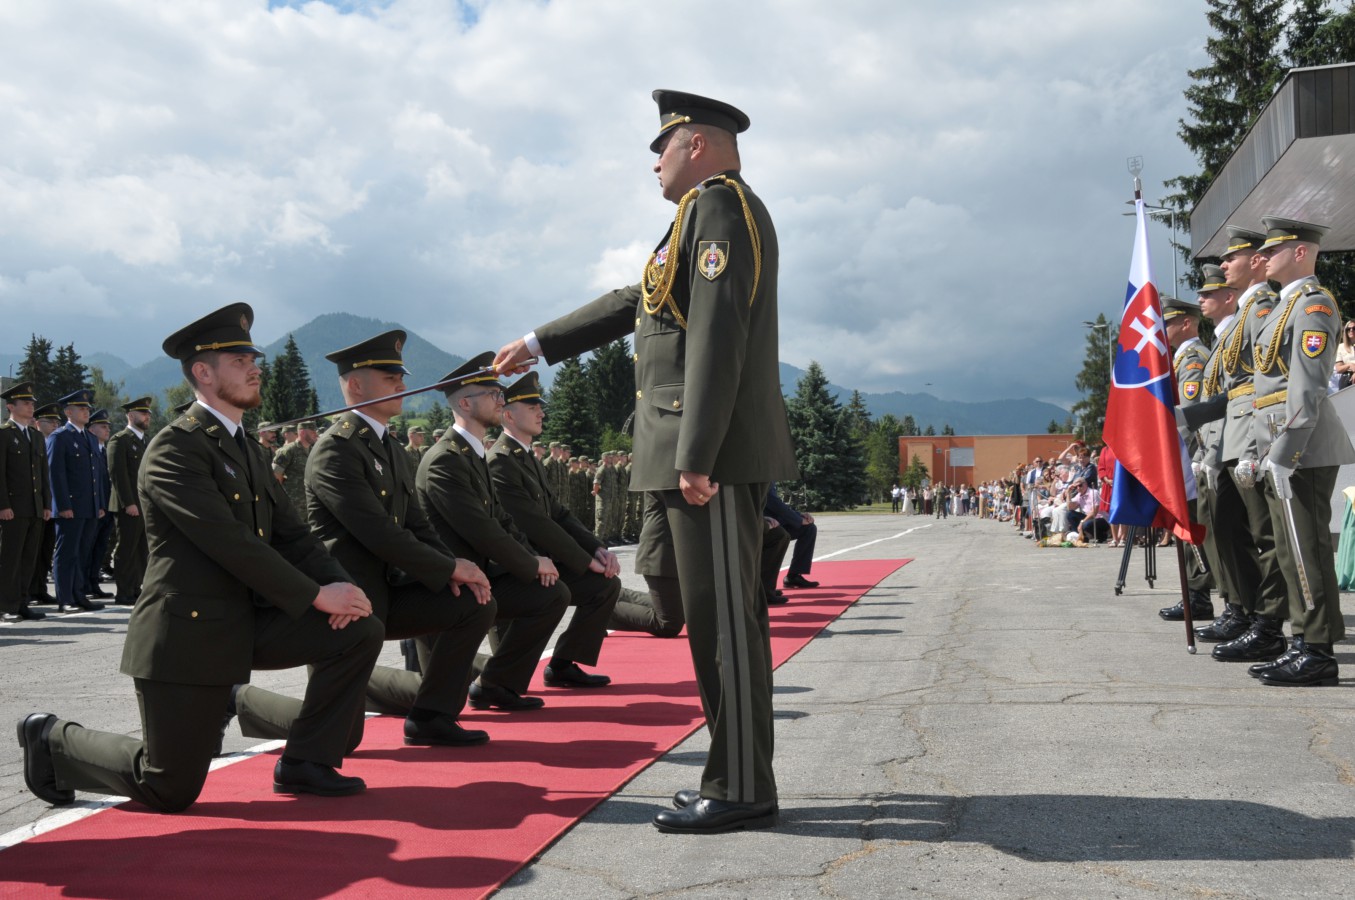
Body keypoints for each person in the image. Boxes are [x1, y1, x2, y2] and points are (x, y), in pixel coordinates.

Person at [494, 89, 796, 834]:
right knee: (715, 623)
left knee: (725, 626)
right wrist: (537, 343)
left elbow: (717, 334)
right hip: (693, 452)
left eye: (660, 149)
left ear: (695, 143)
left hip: (706, 457)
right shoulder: (695, 216)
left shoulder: (719, 206)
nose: (653, 164)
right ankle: (735, 775)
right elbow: (640, 299)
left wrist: (697, 452)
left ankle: (741, 785)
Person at [17, 303, 384, 812]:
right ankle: (53, 738)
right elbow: (229, 541)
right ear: (203, 373)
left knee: (360, 628)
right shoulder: (175, 448)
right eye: (240, 361)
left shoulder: (247, 449)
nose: (255, 368)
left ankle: (306, 761)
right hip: (188, 635)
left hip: (245, 623)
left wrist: (346, 589)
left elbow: (294, 536)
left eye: (253, 359)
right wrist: (316, 595)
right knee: (167, 786)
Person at [230, 330, 497, 751]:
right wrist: (448, 566)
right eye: (391, 377)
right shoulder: (335, 450)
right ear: (356, 385)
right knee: (344, 738)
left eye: (400, 376)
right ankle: (239, 699)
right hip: (351, 599)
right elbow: (378, 531)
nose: (402, 384)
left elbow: (418, 524)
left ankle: (431, 716)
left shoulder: (390, 446)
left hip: (390, 593)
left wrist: (455, 570)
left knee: (473, 602)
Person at [416, 353, 572, 711]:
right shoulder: (445, 459)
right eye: (492, 394)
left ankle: (496, 683)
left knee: (552, 594)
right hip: (452, 582)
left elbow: (501, 519)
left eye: (500, 394)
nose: (501, 400)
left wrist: (534, 559)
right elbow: (480, 529)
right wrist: (531, 564)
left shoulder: (472, 453)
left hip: (480, 576)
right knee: (429, 697)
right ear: (465, 403)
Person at [1248, 217, 1354, 686]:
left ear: (1300, 253)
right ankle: (1303, 641)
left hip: (1301, 447)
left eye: (1274, 250)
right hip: (1282, 444)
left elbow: (1307, 388)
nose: (1264, 257)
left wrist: (1283, 453)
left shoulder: (1314, 305)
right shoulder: (1283, 307)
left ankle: (1318, 650)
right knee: (1292, 551)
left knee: (1306, 548)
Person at [1181, 243, 1288, 655]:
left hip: (1251, 437)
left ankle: (1268, 621)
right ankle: (1244, 610)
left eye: (1231, 259)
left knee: (1262, 535)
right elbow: (1227, 395)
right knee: (1226, 529)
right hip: (1228, 440)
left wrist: (1257, 446)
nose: (1224, 265)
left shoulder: (1261, 311)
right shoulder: (1240, 321)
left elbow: (1262, 386)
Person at [486, 371, 622, 683]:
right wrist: (584, 561)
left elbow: (558, 513)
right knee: (578, 587)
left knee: (604, 585)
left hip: (545, 563)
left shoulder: (527, 457)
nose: (541, 413)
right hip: (519, 568)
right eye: (532, 407)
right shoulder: (500, 461)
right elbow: (534, 523)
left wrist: (597, 549)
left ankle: (562, 664)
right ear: (508, 415)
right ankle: (499, 678)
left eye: (540, 407)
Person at [1157, 295, 1214, 622]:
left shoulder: (1193, 359)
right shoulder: (1180, 359)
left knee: (1193, 523)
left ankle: (1198, 594)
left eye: (1167, 322)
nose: (1162, 328)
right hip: (1185, 454)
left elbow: (1190, 414)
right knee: (1188, 523)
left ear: (1187, 323)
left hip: (1192, 453)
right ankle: (1195, 592)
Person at [46, 389, 106, 613]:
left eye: (87, 408)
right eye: (81, 408)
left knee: (82, 553)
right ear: (68, 412)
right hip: (70, 507)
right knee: (67, 553)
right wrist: (63, 506)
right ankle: (65, 599)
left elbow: (96, 474)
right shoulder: (60, 437)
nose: (86, 411)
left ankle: (79, 595)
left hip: (90, 507)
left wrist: (100, 504)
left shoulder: (89, 437)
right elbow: (55, 474)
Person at [0, 382, 52, 622]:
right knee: (10, 559)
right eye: (26, 403)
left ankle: (21, 603)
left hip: (34, 507)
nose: (31, 407)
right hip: (13, 508)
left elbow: (43, 473)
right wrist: (3, 505)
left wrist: (46, 504)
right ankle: (5, 606)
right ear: (11, 406)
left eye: (32, 403)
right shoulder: (4, 434)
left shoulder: (35, 436)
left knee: (28, 558)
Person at [107, 397, 152, 605]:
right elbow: (118, 475)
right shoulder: (120, 440)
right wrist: (128, 503)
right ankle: (123, 591)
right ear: (131, 416)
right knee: (126, 549)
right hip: (129, 506)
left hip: (143, 505)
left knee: (141, 550)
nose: (147, 417)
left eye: (148, 413)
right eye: (143, 413)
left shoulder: (145, 441)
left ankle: (135, 587)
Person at [26, 403, 62, 607]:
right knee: (33, 550)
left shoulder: (47, 441)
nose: (56, 425)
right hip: (34, 504)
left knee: (45, 550)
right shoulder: (33, 440)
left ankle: (40, 589)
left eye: (57, 422)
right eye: (51, 421)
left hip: (48, 505)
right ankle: (29, 590)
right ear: (38, 423)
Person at [84, 408, 115, 601]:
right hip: (95, 507)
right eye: (102, 426)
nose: (107, 430)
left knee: (100, 548)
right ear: (91, 429)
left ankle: (94, 583)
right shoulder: (90, 449)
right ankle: (85, 585)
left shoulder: (104, 451)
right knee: (89, 549)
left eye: (108, 427)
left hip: (106, 507)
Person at [766, 484, 818, 589]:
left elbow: (777, 506)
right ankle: (766, 586)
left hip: (773, 523)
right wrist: (798, 519)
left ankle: (794, 575)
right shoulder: (765, 478)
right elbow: (773, 503)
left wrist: (799, 515)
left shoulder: (770, 479)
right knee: (780, 535)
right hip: (762, 525)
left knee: (808, 528)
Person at [271, 419, 316, 511]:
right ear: (302, 432)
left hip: (309, 503)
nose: (316, 434)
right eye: (312, 432)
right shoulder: (288, 451)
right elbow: (276, 477)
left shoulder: (313, 450)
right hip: (292, 505)